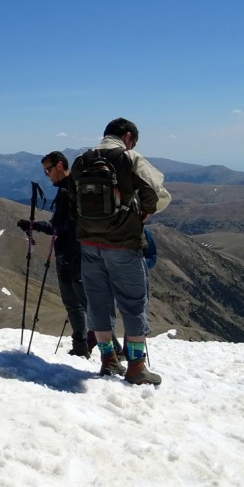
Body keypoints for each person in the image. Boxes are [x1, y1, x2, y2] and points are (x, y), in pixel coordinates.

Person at [70, 118, 171, 386]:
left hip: (89, 244)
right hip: (122, 244)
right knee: (133, 302)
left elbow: (71, 198)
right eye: (133, 140)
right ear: (127, 136)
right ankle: (136, 367)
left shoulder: (82, 160)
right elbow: (158, 195)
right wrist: (140, 215)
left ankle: (108, 360)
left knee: (97, 301)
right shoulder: (130, 158)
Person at [17, 151, 90, 358]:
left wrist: (36, 226)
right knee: (77, 304)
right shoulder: (71, 189)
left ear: (60, 165)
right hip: (75, 253)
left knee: (80, 304)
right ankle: (82, 346)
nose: (47, 175)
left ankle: (108, 351)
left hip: (72, 254)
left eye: (48, 170)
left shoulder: (68, 191)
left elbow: (60, 226)